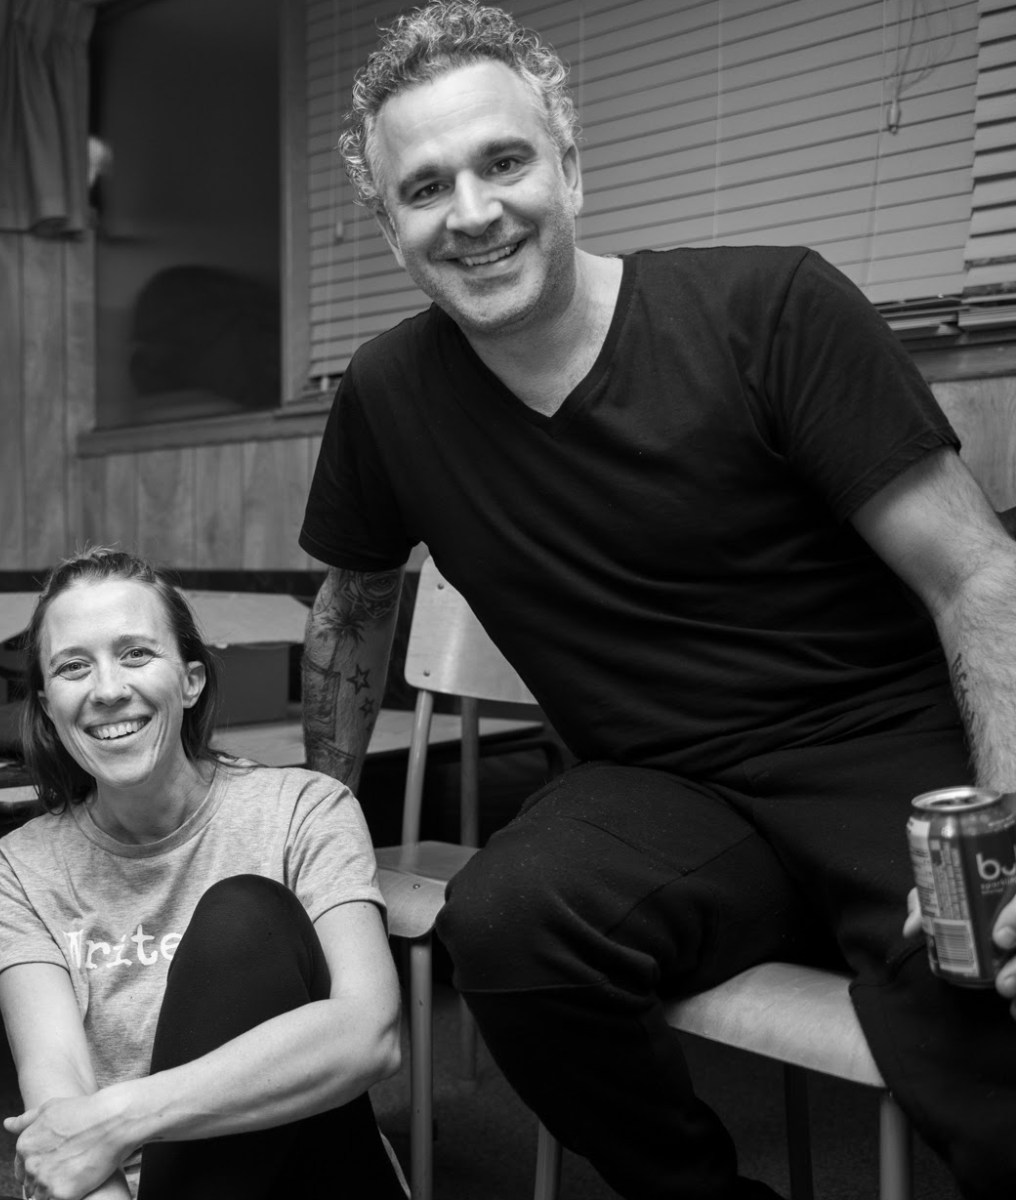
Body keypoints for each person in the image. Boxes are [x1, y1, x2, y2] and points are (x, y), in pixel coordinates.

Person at [298, 4, 1016, 1198]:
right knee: (508, 929)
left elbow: (977, 576)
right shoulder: (385, 395)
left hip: (880, 751)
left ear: (569, 169)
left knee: (988, 1000)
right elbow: (354, 604)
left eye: (502, 162)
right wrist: (312, 829)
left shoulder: (770, 310)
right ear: (388, 228)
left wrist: (1006, 836)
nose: (470, 213)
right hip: (660, 788)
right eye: (423, 188)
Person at [0, 548, 407, 1200]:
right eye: (72, 666)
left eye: (135, 654)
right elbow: (59, 1099)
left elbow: (371, 1035)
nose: (107, 690)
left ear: (191, 680)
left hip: (312, 1172)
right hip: (145, 1188)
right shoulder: (17, 868)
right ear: (47, 705)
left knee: (244, 916)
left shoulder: (304, 808)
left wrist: (122, 1118)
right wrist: (95, 1159)